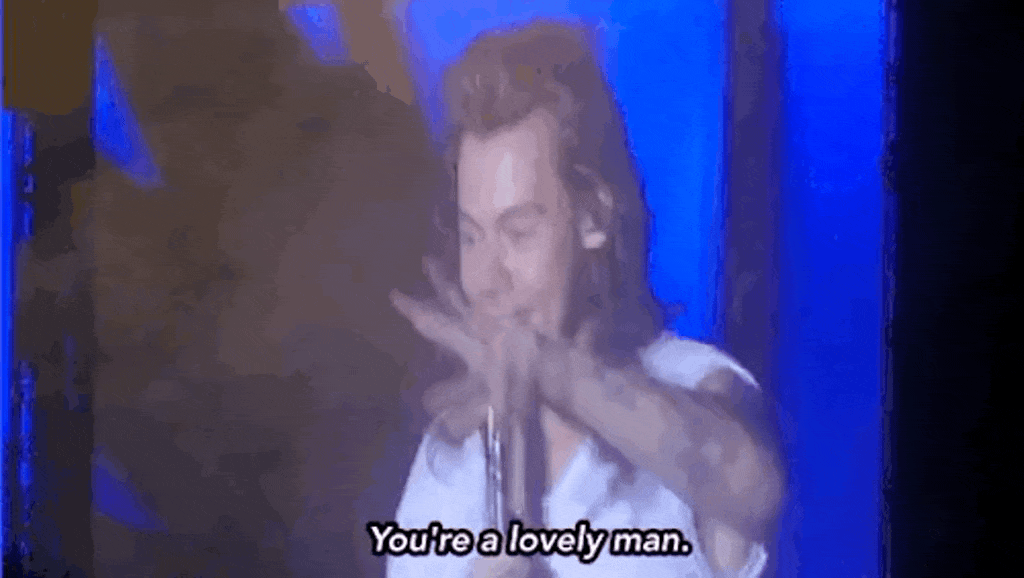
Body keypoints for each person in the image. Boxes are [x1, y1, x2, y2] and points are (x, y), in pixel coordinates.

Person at [387, 20, 783, 578]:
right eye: (472, 236)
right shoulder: (448, 453)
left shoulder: (696, 385)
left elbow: (753, 487)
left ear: (593, 216)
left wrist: (552, 373)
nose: (485, 279)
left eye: (517, 233)